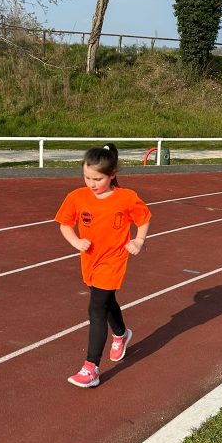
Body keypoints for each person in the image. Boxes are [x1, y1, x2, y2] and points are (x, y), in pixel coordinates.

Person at [55, 143, 151, 387]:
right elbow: (65, 224)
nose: (91, 183)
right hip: (90, 260)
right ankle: (121, 334)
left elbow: (143, 219)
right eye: (87, 177)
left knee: (96, 308)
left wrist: (138, 241)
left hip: (113, 260)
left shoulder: (126, 198)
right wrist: (76, 241)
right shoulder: (76, 197)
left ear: (112, 174)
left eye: (97, 179)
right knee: (105, 301)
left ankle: (91, 368)